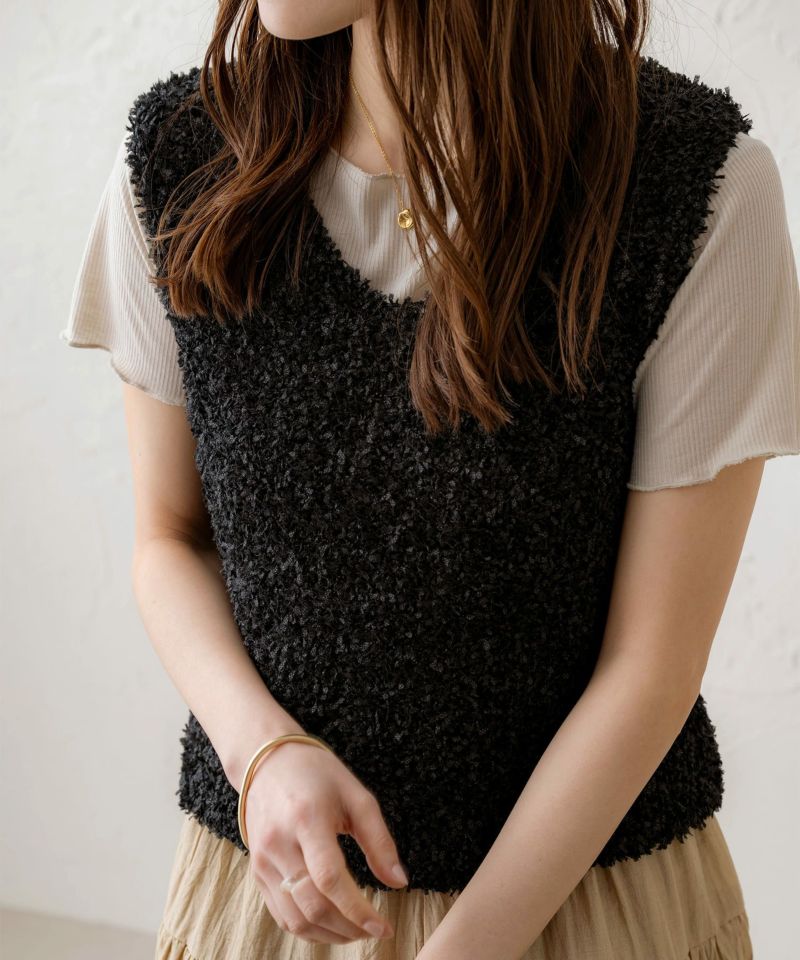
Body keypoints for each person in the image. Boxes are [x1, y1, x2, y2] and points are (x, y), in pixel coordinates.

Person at [61, 2, 800, 958]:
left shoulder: (694, 187)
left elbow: (650, 666)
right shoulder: (180, 162)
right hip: (272, 909)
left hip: (585, 909)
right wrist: (263, 754)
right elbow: (170, 538)